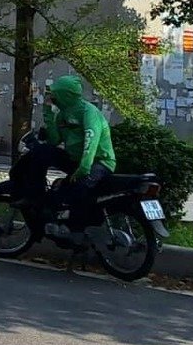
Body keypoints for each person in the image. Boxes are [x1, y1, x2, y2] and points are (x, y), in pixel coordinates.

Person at [9, 74, 116, 242]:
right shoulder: (62, 115)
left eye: (56, 94)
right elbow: (54, 140)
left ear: (66, 95)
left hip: (98, 162)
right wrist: (47, 113)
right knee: (43, 151)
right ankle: (34, 194)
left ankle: (77, 231)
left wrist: (83, 169)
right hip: (74, 160)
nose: (53, 97)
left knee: (76, 190)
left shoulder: (89, 112)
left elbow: (91, 140)